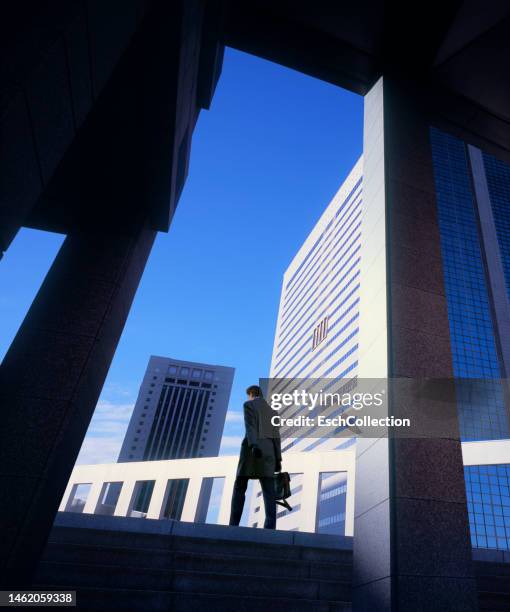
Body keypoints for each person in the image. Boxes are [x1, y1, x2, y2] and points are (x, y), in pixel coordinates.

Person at [229, 384, 282, 529]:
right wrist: (278, 459)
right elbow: (276, 438)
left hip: (252, 451)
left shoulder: (248, 405)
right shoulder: (273, 412)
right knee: (269, 492)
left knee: (240, 486)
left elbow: (250, 426)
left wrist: (253, 445)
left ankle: (233, 524)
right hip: (269, 453)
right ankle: (270, 527)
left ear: (251, 394)